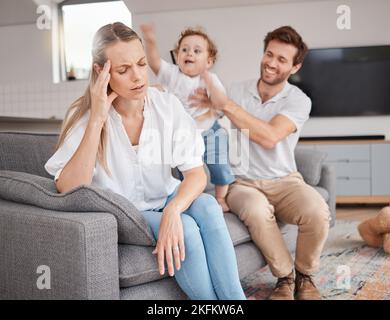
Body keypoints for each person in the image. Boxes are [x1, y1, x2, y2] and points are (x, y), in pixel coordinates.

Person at [44, 22, 245, 300]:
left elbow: (196, 174)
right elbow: (68, 187)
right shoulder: (85, 119)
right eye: (124, 70)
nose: (138, 76)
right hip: (129, 210)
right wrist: (98, 119)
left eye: (141, 64)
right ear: (101, 72)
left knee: (209, 205)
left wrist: (173, 210)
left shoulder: (166, 105)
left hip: (164, 197)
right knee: (186, 230)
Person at [189, 26, 330, 300]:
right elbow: (206, 119)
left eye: (281, 59)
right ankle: (285, 277)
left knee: (317, 211)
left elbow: (270, 137)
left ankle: (305, 275)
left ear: (295, 66)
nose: (271, 63)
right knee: (255, 210)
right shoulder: (237, 90)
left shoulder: (299, 100)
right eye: (269, 54)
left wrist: (227, 106)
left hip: (286, 180)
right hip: (243, 183)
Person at [140, 24, 235, 212]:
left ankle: (221, 197)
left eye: (197, 51)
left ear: (209, 61)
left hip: (209, 129)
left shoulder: (210, 79)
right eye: (184, 49)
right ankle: (189, 196)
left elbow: (221, 102)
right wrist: (150, 41)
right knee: (186, 169)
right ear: (177, 56)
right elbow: (155, 62)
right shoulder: (173, 75)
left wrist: (208, 80)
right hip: (184, 134)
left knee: (219, 163)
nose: (189, 53)